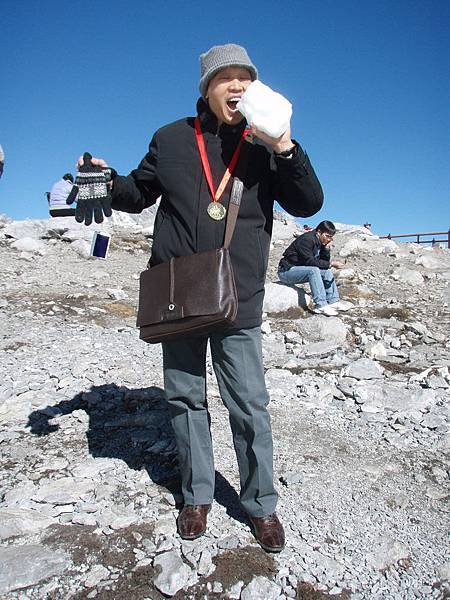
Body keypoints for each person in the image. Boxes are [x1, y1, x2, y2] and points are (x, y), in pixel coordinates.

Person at [76, 43, 323, 552]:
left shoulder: (263, 144)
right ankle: (196, 496)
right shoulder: (170, 139)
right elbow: (139, 191)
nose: (236, 86)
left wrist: (285, 147)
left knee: (249, 404)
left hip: (239, 294)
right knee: (185, 398)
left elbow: (309, 201)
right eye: (224, 77)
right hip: (180, 293)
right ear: (206, 88)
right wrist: (106, 179)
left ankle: (261, 504)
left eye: (244, 78)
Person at [278, 220, 352, 316]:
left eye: (331, 237)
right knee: (313, 270)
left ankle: (333, 301)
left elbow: (323, 262)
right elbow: (310, 261)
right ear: (319, 232)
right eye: (327, 236)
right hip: (286, 271)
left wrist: (326, 249)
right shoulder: (306, 239)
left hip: (299, 269)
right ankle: (320, 305)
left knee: (326, 271)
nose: (329, 239)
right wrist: (331, 264)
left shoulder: (321, 241)